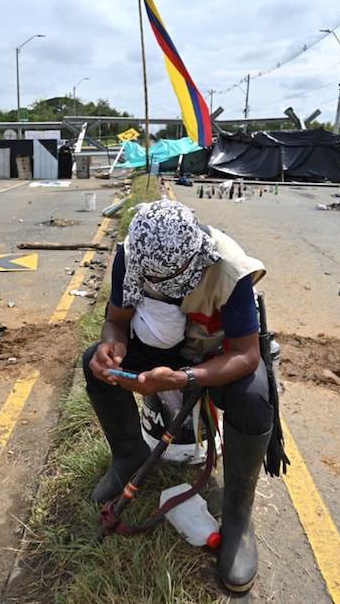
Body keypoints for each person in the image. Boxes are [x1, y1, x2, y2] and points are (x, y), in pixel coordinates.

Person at [82, 199, 273, 592]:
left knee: (255, 397)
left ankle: (238, 512)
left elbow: (246, 354)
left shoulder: (228, 269)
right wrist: (111, 348)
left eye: (172, 280)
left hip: (213, 354)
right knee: (93, 364)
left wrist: (184, 378)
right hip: (159, 348)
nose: (161, 288)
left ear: (195, 260)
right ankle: (129, 455)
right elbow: (116, 321)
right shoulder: (133, 254)